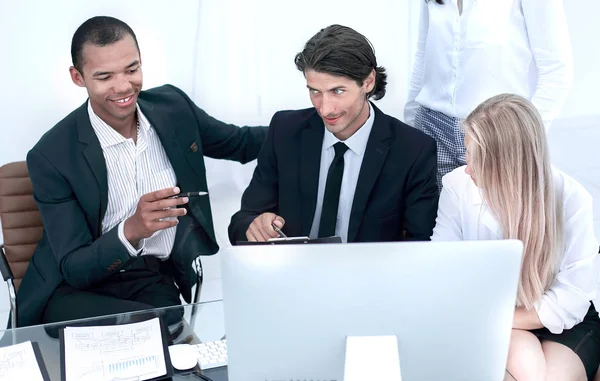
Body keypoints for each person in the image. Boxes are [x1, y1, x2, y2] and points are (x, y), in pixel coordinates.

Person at [17, 16, 267, 327]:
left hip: (151, 279)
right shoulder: (51, 155)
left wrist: (311, 125)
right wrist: (133, 228)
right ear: (78, 77)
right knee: (136, 339)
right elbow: (74, 267)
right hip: (74, 291)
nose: (123, 86)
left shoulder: (173, 109)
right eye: (104, 76)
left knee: (167, 350)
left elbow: (240, 143)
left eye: (132, 69)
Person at [431, 94, 600, 381]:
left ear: (506, 163)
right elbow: (442, 269)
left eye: (475, 156)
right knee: (522, 368)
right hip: (493, 326)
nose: (467, 168)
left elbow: (572, 301)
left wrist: (493, 317)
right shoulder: (458, 186)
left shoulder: (571, 199)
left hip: (566, 328)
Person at [228, 24, 438, 245]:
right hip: (294, 274)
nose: (325, 109)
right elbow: (241, 222)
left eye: (337, 91)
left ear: (368, 82)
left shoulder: (413, 150)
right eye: (315, 92)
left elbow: (420, 245)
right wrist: (255, 226)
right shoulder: (284, 131)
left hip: (371, 277)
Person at [405, 0, 573, 191]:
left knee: (495, 218)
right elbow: (422, 54)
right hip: (432, 129)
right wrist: (410, 126)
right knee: (434, 218)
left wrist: (521, 140)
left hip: (496, 132)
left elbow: (556, 70)